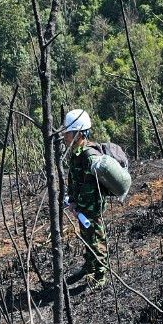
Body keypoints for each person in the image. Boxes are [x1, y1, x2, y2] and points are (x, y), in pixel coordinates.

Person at [62, 108, 109, 288]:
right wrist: (72, 200)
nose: (65, 136)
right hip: (82, 207)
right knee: (87, 238)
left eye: (68, 133)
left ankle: (100, 275)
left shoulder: (88, 156)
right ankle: (89, 265)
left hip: (91, 208)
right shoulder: (77, 153)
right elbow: (76, 181)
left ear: (78, 133)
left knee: (96, 240)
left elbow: (90, 188)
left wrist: (77, 204)